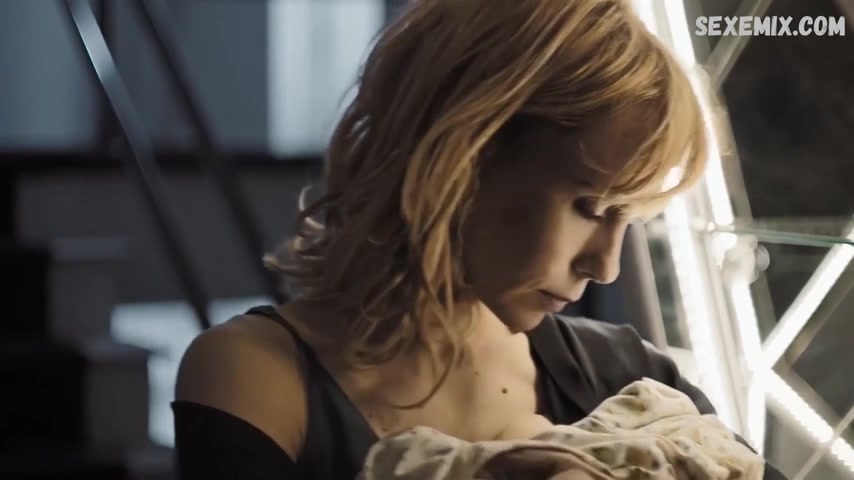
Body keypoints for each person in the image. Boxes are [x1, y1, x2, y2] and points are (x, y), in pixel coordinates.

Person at [171, 0, 787, 479]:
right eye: (589, 207)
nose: (605, 267)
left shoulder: (635, 381)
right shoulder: (258, 377)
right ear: (463, 156)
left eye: (630, 220)